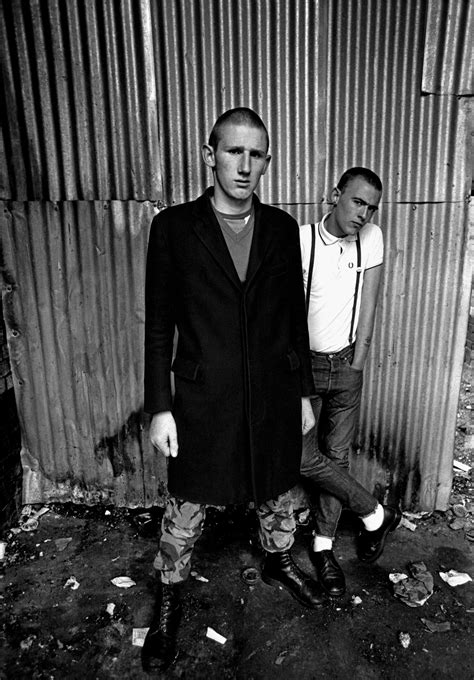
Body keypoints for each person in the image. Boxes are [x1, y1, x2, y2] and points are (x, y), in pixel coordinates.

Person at [142, 107, 328, 672]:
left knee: (276, 484)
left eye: (257, 155)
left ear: (267, 162)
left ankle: (278, 559)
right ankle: (170, 593)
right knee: (188, 500)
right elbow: (158, 325)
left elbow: (292, 317)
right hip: (203, 396)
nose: (245, 166)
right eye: (234, 152)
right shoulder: (174, 227)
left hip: (271, 390)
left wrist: (299, 393)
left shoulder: (278, 228)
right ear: (210, 155)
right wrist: (160, 407)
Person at [299, 167, 400, 598]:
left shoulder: (371, 238)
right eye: (357, 202)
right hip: (304, 368)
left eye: (371, 206)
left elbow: (371, 304)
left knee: (336, 458)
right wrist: (298, 382)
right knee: (301, 456)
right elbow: (285, 317)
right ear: (334, 195)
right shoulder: (301, 240)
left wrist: (358, 363)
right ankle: (375, 514)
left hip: (346, 366)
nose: (364, 213)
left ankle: (323, 547)